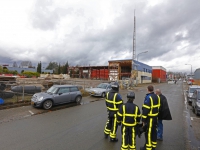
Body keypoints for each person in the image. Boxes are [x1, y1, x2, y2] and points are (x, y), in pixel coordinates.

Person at [140, 85, 160, 150]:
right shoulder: (157, 97)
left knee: (148, 132)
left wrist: (143, 120)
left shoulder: (148, 97)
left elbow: (146, 110)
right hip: (155, 118)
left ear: (148, 89)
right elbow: (158, 107)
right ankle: (153, 146)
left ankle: (148, 147)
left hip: (150, 118)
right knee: (154, 132)